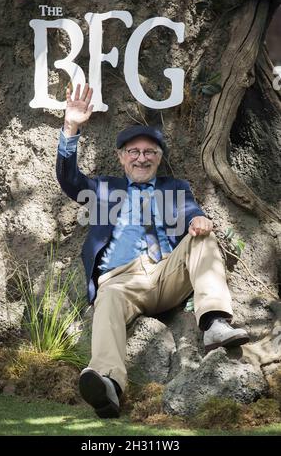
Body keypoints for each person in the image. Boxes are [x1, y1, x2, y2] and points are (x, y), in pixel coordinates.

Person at [56, 83, 249, 419]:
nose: (141, 158)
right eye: (133, 152)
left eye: (149, 152)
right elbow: (69, 179)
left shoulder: (176, 187)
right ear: (121, 158)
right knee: (109, 298)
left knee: (202, 236)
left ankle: (215, 322)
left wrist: (200, 219)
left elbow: (191, 213)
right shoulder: (103, 188)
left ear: (158, 158)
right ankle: (108, 385)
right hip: (120, 281)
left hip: (165, 273)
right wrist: (71, 127)